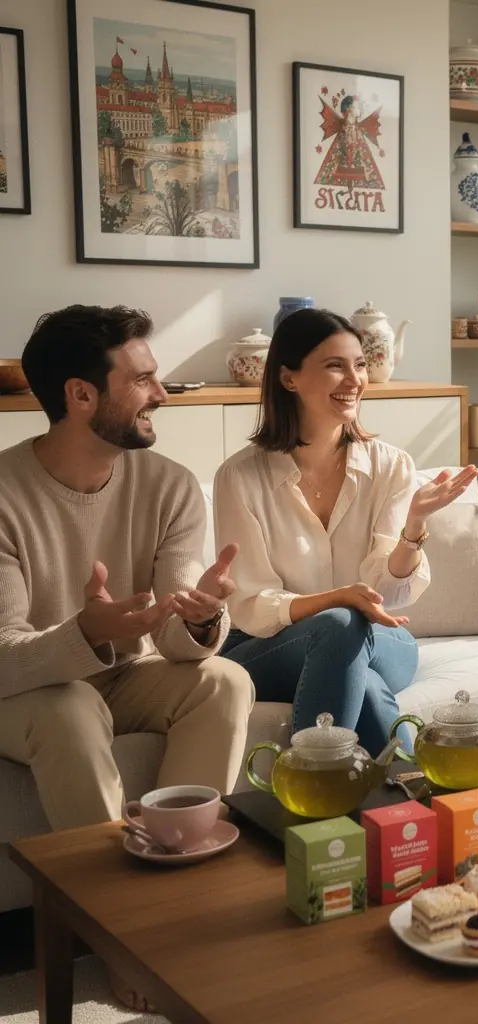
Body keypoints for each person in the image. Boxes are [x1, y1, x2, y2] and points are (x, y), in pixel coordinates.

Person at [0, 305, 255, 1012]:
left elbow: (173, 638)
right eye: (142, 380)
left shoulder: (169, 485)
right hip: (22, 690)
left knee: (224, 681)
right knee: (72, 704)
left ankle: (181, 910)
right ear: (81, 396)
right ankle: (121, 938)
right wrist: (87, 630)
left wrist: (199, 617)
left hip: (117, 672)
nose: (162, 394)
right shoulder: (2, 493)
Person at [213, 308, 478, 754]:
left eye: (359, 364)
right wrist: (335, 600)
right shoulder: (240, 477)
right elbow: (251, 606)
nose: (354, 379)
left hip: (383, 640)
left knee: (348, 628)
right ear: (288, 378)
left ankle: (316, 788)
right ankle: (410, 800)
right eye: (335, 365)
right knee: (355, 656)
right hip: (268, 647)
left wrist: (414, 527)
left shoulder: (391, 466)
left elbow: (389, 597)